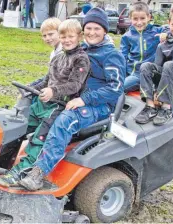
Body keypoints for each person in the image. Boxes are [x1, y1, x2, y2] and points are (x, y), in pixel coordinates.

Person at [18, 8, 126, 191]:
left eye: (97, 29)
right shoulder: (80, 50)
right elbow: (56, 75)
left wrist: (85, 100)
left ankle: (38, 172)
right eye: (89, 28)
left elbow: (116, 88)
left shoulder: (111, 55)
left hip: (99, 106)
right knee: (28, 112)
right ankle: (11, 158)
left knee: (64, 121)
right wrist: (32, 87)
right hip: (70, 98)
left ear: (105, 31)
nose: (92, 33)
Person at [0, 19, 90, 187]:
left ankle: (20, 173)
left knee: (39, 138)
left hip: (59, 106)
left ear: (79, 37)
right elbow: (46, 82)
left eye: (70, 36)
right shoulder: (58, 58)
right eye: (63, 36)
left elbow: (75, 85)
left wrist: (54, 91)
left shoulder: (81, 60)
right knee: (16, 125)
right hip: (42, 103)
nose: (67, 40)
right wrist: (28, 89)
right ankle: (0, 162)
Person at [120, 1, 167, 93]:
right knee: (117, 86)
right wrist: (123, 75)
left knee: (118, 89)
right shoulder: (126, 36)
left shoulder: (156, 31)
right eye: (135, 19)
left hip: (153, 72)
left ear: (149, 17)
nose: (139, 22)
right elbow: (122, 58)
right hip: (135, 74)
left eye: (142, 18)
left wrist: (166, 34)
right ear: (130, 18)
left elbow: (169, 28)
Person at [29, 18, 62, 87]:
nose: (47, 38)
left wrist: (36, 87)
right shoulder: (53, 53)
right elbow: (50, 75)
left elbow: (57, 78)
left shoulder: (63, 52)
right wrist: (33, 84)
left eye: (50, 34)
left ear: (60, 33)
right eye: (44, 36)